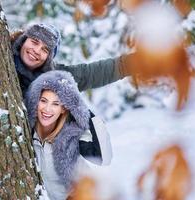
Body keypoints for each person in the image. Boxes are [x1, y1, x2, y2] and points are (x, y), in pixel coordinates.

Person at [11, 23, 125, 165]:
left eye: (45, 49)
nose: (36, 51)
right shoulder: (1, 56)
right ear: (24, 40)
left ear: (49, 57)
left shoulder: (52, 78)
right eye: (34, 42)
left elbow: (90, 73)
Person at [25, 70, 104, 200]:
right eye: (43, 101)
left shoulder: (69, 143)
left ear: (63, 109)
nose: (47, 109)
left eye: (55, 104)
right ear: (35, 102)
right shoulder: (26, 137)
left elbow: (90, 187)